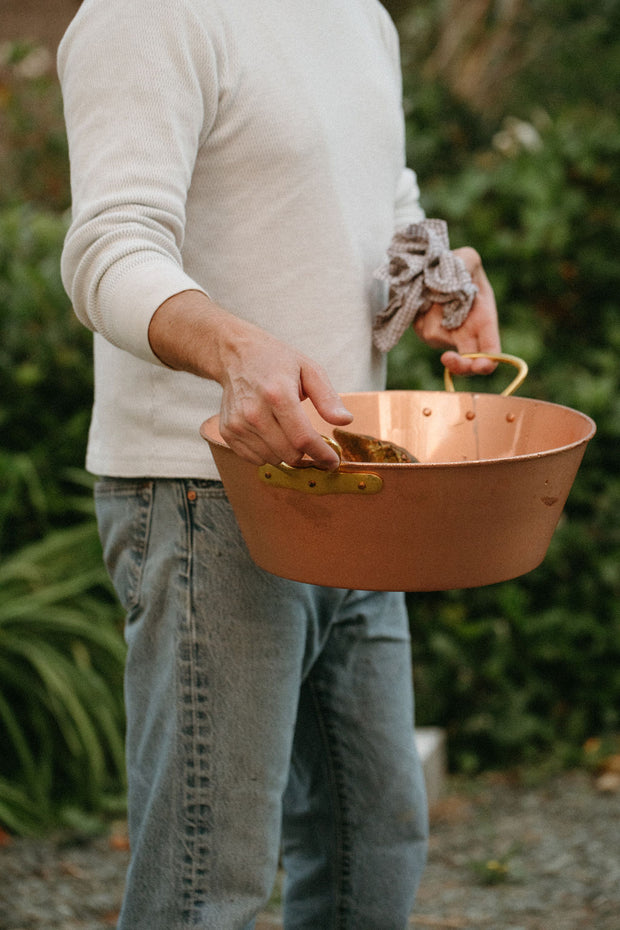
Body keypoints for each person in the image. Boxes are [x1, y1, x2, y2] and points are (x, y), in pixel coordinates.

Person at [58, 1, 501, 928]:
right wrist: (232, 350)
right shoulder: (147, 15)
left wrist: (436, 279)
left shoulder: (359, 16)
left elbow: (386, 198)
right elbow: (108, 248)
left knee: (372, 847)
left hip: (358, 482)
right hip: (205, 492)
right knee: (206, 880)